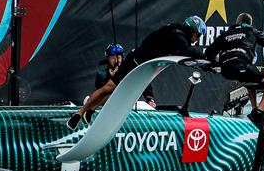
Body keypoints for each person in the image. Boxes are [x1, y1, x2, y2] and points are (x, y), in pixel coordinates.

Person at [67, 16, 207, 129]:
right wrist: (206, 54)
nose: (197, 39)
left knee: (116, 91)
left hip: (143, 64)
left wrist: (150, 98)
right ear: (192, 31)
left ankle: (91, 109)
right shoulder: (177, 35)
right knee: (109, 88)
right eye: (198, 35)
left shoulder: (177, 33)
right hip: (135, 61)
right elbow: (187, 51)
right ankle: (79, 113)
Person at [204, 12, 264, 126]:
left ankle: (254, 109)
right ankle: (258, 112)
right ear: (249, 23)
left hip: (226, 70)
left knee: (250, 79)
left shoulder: (225, 34)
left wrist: (219, 62)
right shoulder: (251, 31)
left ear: (237, 23)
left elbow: (209, 53)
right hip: (241, 67)